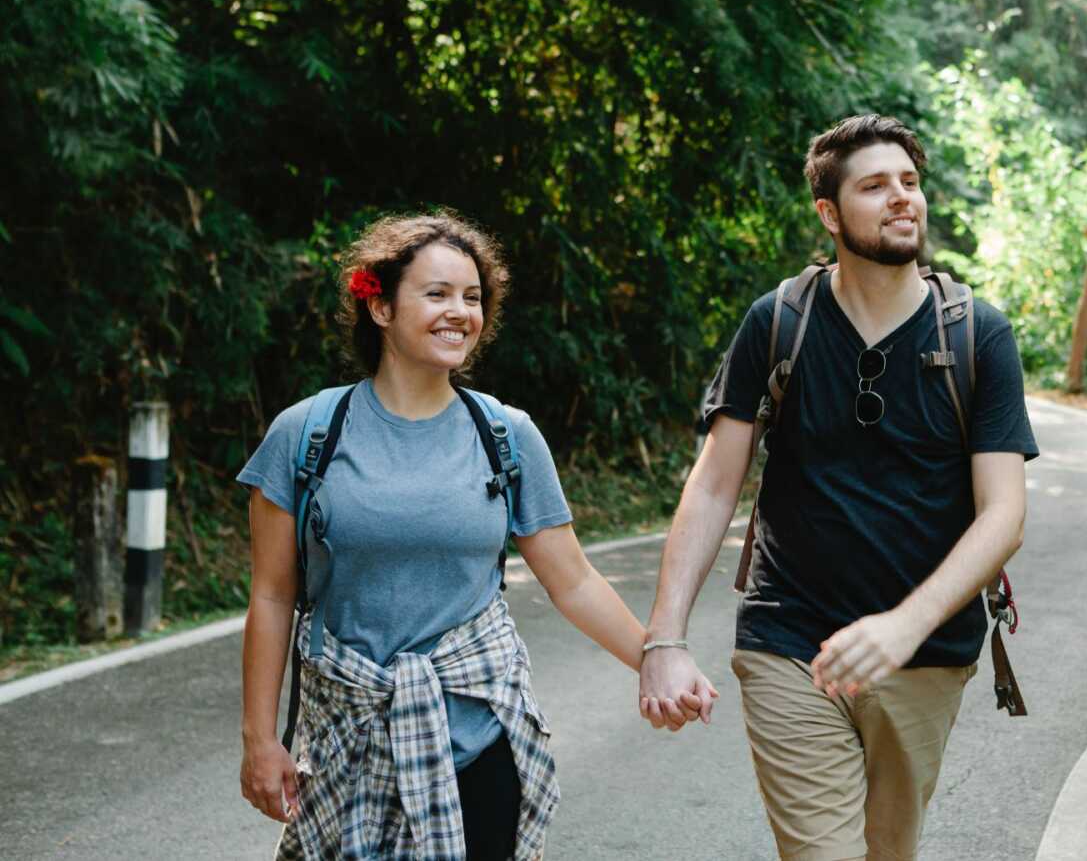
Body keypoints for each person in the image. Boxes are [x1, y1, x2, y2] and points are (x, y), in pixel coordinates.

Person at [236, 211, 704, 860]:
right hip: (348, 741)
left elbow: (572, 580)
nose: (459, 312)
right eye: (437, 294)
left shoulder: (505, 436)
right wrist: (261, 741)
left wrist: (656, 655)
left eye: (473, 297)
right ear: (380, 308)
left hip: (481, 741)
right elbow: (270, 597)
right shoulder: (307, 435)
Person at [639, 114, 1038, 860]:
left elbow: (1004, 514)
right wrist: (665, 638)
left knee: (888, 851)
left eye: (911, 184)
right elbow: (715, 484)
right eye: (875, 186)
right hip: (789, 638)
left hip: (925, 653)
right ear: (828, 213)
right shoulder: (779, 322)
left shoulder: (977, 335)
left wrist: (905, 625)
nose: (902, 199)